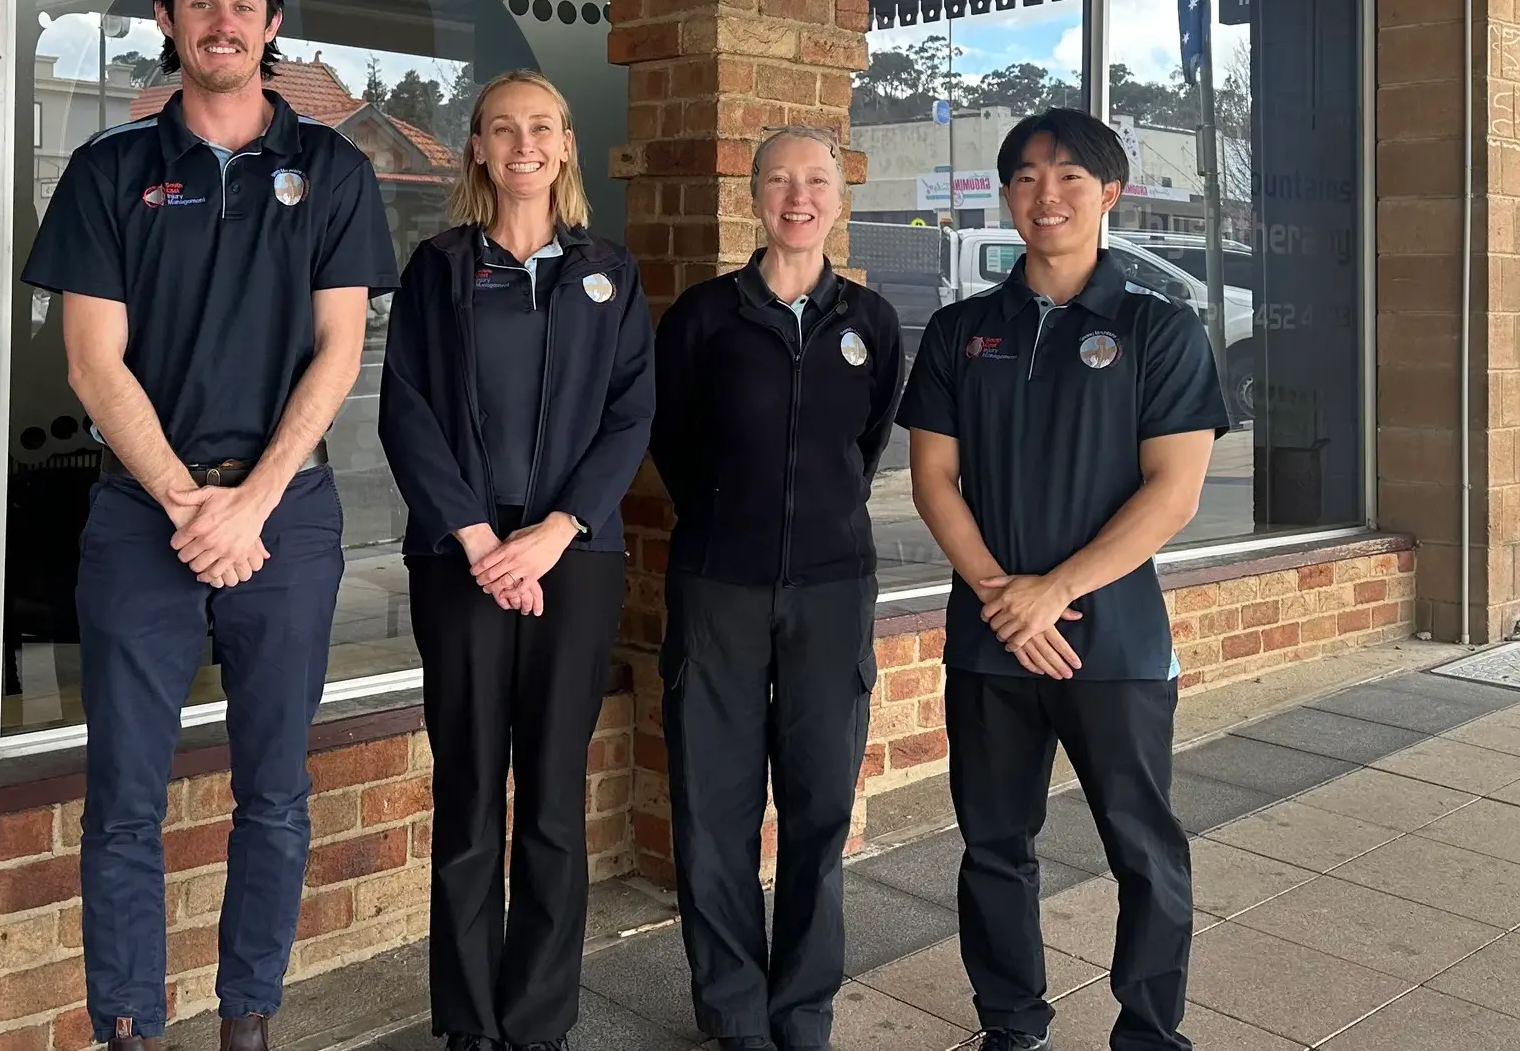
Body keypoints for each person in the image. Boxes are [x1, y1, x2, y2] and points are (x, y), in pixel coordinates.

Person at [22, 0, 398, 1051]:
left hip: (290, 513)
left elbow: (339, 351)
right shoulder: (108, 171)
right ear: (166, 24)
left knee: (274, 790)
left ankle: (249, 1020)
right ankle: (130, 1024)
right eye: (198, 2)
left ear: (273, 23)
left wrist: (254, 499)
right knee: (125, 798)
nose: (222, 20)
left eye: (243, 1)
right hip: (146, 517)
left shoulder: (333, 170)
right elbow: (93, 361)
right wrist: (195, 502)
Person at [897, 109, 1226, 1051]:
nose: (1050, 194)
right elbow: (932, 480)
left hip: (1114, 641)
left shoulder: (1159, 330)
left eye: (1073, 176)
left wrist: (1053, 591)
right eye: (1029, 176)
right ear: (1007, 194)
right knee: (996, 847)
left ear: (1110, 193)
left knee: (1143, 849)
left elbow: (1175, 493)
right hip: (992, 646)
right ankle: (1010, 1020)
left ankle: (1151, 1033)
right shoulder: (962, 332)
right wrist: (1008, 597)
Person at [378, 69, 656, 1051]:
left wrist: (555, 529)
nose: (523, 141)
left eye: (542, 125)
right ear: (479, 150)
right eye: (503, 127)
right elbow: (405, 410)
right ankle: (467, 1024)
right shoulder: (437, 268)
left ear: (567, 143)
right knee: (465, 797)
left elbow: (630, 416)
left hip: (571, 558)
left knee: (548, 796)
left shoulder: (609, 273)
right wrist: (479, 537)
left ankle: (537, 1022)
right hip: (459, 555)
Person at [651, 126, 906, 1051]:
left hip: (835, 590)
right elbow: (671, 443)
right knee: (714, 807)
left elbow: (865, 446)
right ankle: (732, 1014)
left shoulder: (870, 324)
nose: (797, 197)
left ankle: (801, 1013)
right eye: (778, 181)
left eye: (816, 181)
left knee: (819, 807)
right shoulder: (704, 317)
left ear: (840, 197)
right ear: (752, 195)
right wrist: (731, 515)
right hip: (719, 584)